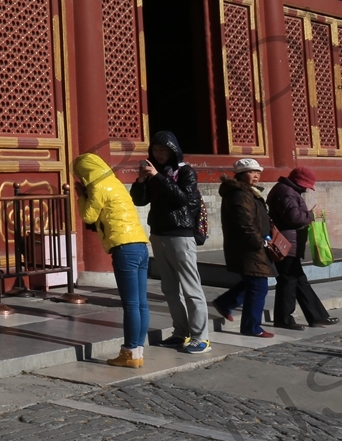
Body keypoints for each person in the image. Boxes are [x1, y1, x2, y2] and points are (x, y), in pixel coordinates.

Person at [130, 130, 209, 354]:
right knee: (170, 288)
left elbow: (182, 198)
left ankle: (201, 336)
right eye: (155, 150)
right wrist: (142, 180)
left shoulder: (185, 172)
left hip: (181, 234)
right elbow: (139, 200)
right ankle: (180, 331)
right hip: (159, 233)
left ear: (173, 150)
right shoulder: (156, 174)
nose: (159, 153)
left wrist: (157, 177)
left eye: (163, 150)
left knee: (191, 287)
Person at [73, 153, 152, 368]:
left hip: (123, 248)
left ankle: (129, 352)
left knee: (131, 305)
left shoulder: (98, 187)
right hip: (140, 245)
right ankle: (138, 351)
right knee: (141, 303)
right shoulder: (115, 184)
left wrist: (81, 196)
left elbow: (89, 216)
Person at [266, 166, 339, 330]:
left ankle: (317, 316)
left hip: (290, 243)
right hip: (285, 244)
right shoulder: (286, 192)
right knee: (288, 281)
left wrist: (308, 214)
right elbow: (294, 218)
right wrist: (312, 215)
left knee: (299, 281)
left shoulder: (288, 191)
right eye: (306, 185)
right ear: (300, 182)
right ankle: (284, 319)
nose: (307, 189)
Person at [212, 158, 276, 337]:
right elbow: (245, 224)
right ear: (241, 175)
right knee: (258, 285)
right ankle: (251, 327)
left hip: (252, 246)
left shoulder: (249, 193)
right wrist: (259, 241)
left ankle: (226, 302)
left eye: (258, 172)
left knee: (253, 283)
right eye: (251, 172)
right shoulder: (240, 195)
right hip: (248, 248)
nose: (256, 176)